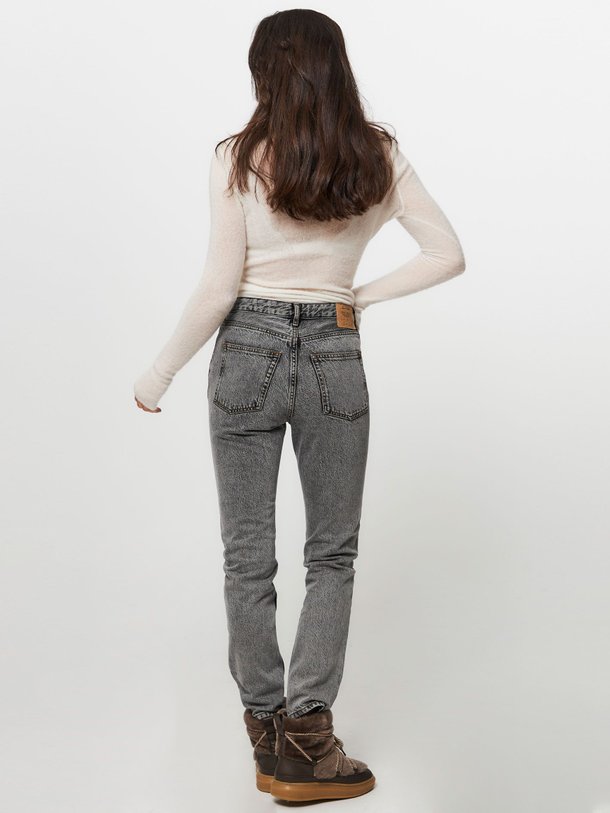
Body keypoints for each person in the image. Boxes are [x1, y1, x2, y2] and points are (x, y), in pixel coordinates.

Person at [133, 8, 465, 803]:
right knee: (332, 555)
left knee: (246, 556)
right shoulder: (376, 153)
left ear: (264, 73)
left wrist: (159, 372)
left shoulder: (238, 155)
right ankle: (307, 738)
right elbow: (447, 254)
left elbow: (220, 287)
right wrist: (355, 297)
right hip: (333, 354)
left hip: (245, 351)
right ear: (336, 67)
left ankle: (265, 730)